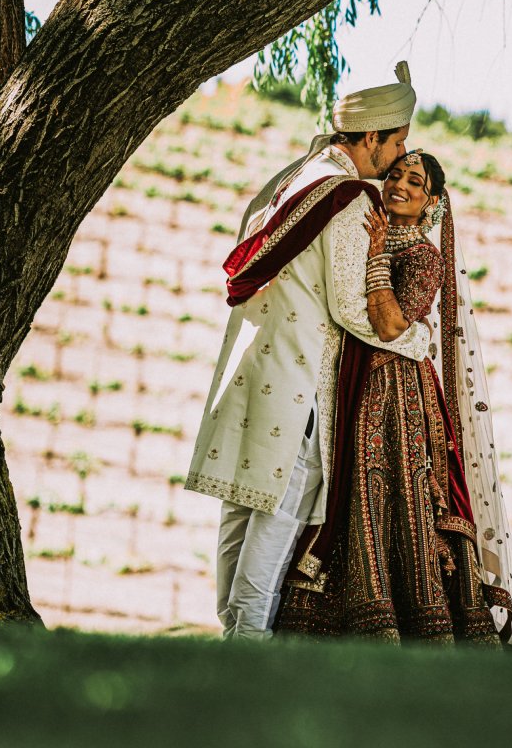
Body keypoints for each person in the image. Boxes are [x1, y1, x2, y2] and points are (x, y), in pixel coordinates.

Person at [184, 62, 429, 640]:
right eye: (396, 143)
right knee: (278, 515)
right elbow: (353, 307)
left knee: (241, 512)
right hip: (298, 385)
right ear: (370, 137)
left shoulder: (294, 176)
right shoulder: (347, 197)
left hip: (249, 366)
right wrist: (418, 340)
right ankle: (245, 647)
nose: (398, 158)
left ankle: (229, 632)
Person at [275, 150, 512, 650]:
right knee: (352, 490)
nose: (400, 185)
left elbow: (391, 324)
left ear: (431, 201)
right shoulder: (363, 229)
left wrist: (376, 256)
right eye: (395, 174)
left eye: (415, 182)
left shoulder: (422, 258)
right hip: (356, 382)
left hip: (398, 397)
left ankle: (403, 619)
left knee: (392, 492)